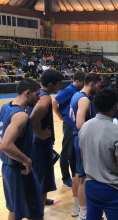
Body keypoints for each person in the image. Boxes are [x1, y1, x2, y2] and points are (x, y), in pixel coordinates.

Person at [80, 89, 118, 220]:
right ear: (115, 106)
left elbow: (83, 157)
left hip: (91, 186)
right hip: (111, 189)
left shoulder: (85, 127)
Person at [0, 79, 44, 220]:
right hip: (21, 171)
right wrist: (27, 161)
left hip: (7, 169)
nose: (39, 98)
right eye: (37, 94)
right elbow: (6, 145)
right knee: (35, 214)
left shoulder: (6, 107)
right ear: (27, 93)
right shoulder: (21, 115)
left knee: (14, 210)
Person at [26, 69, 64, 209]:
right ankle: (39, 211)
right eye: (59, 84)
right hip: (40, 144)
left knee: (39, 176)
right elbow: (33, 118)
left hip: (35, 144)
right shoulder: (46, 97)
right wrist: (40, 134)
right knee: (43, 180)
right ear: (50, 84)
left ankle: (42, 200)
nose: (61, 87)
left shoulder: (37, 93)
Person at [69, 73, 103, 219]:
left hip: (75, 138)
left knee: (78, 174)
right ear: (91, 84)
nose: (99, 88)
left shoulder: (76, 95)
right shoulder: (84, 100)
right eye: (99, 85)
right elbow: (80, 124)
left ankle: (76, 207)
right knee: (83, 177)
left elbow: (72, 117)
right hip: (82, 139)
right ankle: (84, 213)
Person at [52, 71, 86, 188]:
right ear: (77, 81)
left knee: (73, 152)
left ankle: (73, 174)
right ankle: (65, 178)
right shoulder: (69, 90)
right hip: (69, 125)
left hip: (75, 125)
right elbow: (54, 102)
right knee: (66, 152)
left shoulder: (78, 91)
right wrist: (61, 117)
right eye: (83, 82)